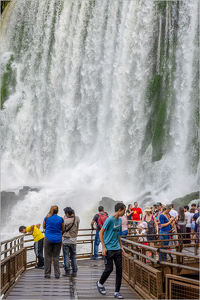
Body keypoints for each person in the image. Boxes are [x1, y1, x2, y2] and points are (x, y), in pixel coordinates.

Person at [96, 203, 126, 299]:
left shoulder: (120, 220)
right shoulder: (109, 219)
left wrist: (121, 246)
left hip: (117, 248)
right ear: (120, 210)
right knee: (109, 269)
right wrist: (104, 247)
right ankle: (100, 283)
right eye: (124, 210)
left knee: (119, 270)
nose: (125, 212)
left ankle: (117, 292)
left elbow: (118, 234)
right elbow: (101, 232)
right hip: (109, 248)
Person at [43, 205, 64, 279]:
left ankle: (47, 274)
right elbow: (62, 228)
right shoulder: (61, 219)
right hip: (58, 238)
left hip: (48, 238)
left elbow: (43, 227)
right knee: (56, 257)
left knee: (47, 257)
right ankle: (57, 274)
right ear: (57, 211)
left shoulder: (46, 218)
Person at [62, 207, 80, 277]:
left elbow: (62, 229)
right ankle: (75, 271)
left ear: (67, 214)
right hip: (74, 240)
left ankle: (67, 272)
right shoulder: (77, 218)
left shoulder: (65, 221)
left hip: (66, 240)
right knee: (73, 256)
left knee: (66, 256)